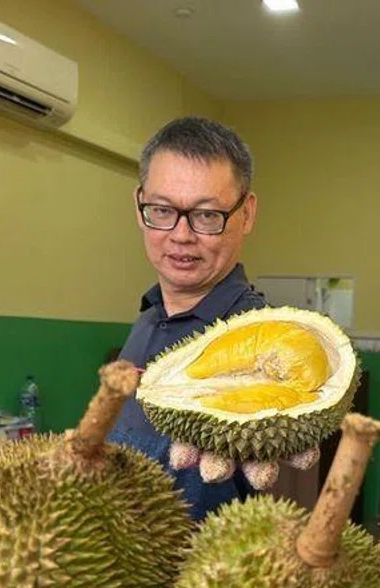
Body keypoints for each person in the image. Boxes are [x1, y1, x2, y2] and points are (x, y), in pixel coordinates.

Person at [109, 116, 266, 522]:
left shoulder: (261, 340)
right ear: (139, 205)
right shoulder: (148, 318)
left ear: (246, 214)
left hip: (207, 577)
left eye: (207, 216)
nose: (180, 236)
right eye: (161, 210)